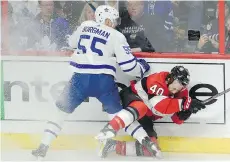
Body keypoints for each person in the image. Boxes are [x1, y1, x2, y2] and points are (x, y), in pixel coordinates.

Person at [31, 5, 150, 159]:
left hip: (79, 79)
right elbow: (128, 67)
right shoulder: (117, 36)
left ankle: (43, 146)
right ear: (107, 20)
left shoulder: (85, 25)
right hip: (103, 81)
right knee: (117, 116)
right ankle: (146, 141)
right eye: (114, 20)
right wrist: (141, 68)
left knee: (60, 112)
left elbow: (72, 42)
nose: (115, 23)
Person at [95, 66, 206, 158]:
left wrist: (187, 112)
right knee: (140, 106)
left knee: (151, 150)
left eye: (180, 88)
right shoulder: (157, 80)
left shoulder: (182, 92)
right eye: (175, 87)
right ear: (170, 78)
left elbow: (177, 119)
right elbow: (158, 106)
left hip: (145, 116)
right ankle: (110, 128)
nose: (176, 91)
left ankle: (111, 145)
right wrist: (184, 104)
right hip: (130, 98)